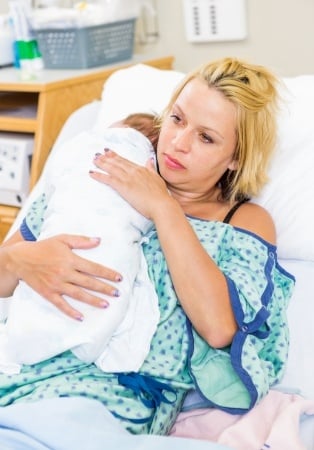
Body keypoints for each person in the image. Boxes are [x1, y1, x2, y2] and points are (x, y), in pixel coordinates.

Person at [0, 57, 295, 438]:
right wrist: (18, 260)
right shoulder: (108, 170)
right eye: (177, 118)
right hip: (19, 360)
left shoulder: (241, 219)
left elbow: (220, 327)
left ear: (236, 158)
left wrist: (162, 206)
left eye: (206, 138)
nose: (178, 142)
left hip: (102, 396)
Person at [0, 113, 160, 375]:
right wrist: (19, 259)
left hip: (79, 372)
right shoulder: (74, 183)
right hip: (39, 341)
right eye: (177, 120)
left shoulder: (164, 209)